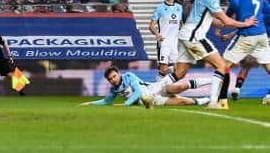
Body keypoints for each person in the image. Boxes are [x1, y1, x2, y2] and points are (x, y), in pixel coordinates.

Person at [161, 0, 257, 109]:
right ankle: (213, 102)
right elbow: (226, 20)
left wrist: (221, 26)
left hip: (186, 34)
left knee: (180, 72)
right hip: (194, 36)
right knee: (221, 66)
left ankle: (149, 92)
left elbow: (214, 19)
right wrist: (245, 23)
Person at [221, 0, 270, 105]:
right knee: (267, 66)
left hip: (247, 33)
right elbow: (268, 10)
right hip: (261, 35)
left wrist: (229, 20)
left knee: (223, 65)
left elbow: (234, 4)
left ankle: (220, 98)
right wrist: (258, 20)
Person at [78, 66, 210, 108]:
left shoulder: (128, 76)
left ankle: (214, 81)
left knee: (180, 87)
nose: (113, 80)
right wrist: (90, 103)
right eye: (110, 79)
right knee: (183, 102)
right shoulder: (114, 90)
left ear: (118, 74)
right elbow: (106, 101)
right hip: (152, 100)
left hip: (155, 89)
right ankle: (208, 99)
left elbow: (138, 91)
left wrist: (126, 104)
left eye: (114, 76)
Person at [149, 0, 183, 81]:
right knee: (163, 69)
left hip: (175, 42)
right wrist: (157, 34)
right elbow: (151, 26)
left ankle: (170, 90)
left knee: (176, 69)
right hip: (164, 41)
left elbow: (180, 24)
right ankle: (156, 90)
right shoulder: (160, 8)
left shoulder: (179, 7)